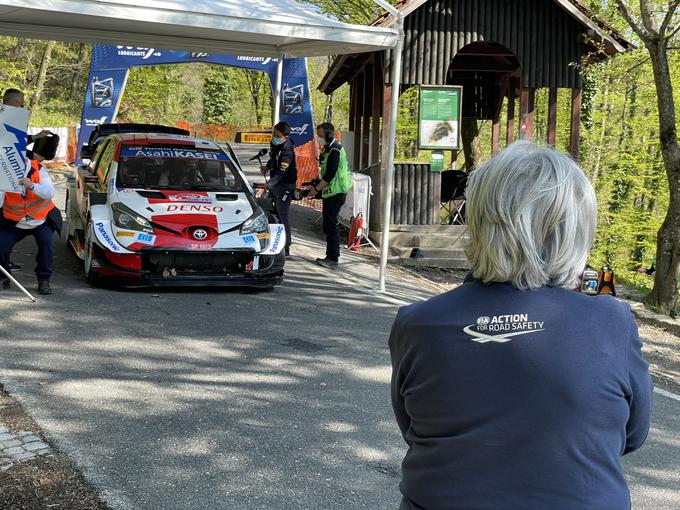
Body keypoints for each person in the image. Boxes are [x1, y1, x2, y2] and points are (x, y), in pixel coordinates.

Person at [388, 141, 652, 510]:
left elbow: (414, 428)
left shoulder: (418, 323)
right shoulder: (611, 320)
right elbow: (632, 434)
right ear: (574, 230)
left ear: (479, 222)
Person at [0, 134, 61, 295]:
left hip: (41, 219)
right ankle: (4, 277)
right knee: (1, 246)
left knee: (46, 245)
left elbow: (50, 193)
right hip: (14, 221)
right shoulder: (4, 174)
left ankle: (44, 280)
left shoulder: (39, 169)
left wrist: (32, 186)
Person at [2, 88, 50, 271]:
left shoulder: (10, 117)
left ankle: (4, 261)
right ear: (16, 103)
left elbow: (16, 144)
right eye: (21, 103)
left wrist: (35, 141)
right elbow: (8, 146)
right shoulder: (5, 117)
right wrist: (31, 154)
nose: (22, 106)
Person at [308, 122, 352, 268]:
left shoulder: (335, 150)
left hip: (336, 192)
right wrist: (316, 183)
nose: (318, 138)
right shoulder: (329, 149)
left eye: (320, 135)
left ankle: (333, 258)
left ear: (327, 133)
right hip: (332, 191)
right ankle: (330, 256)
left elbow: (330, 174)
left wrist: (316, 189)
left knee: (330, 225)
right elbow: (325, 173)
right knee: (328, 224)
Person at [261, 121, 297, 256]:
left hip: (285, 185)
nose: (274, 137)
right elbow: (273, 159)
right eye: (273, 134)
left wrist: (268, 184)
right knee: (269, 212)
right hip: (275, 185)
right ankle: (270, 242)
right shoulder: (275, 144)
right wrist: (267, 167)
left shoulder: (288, 150)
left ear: (285, 136)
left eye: (277, 135)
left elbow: (282, 170)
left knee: (283, 215)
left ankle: (285, 247)